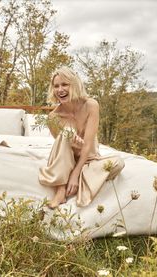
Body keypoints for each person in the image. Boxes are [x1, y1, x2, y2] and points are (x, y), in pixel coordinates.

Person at [39, 67, 124, 209]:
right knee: (65, 134)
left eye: (64, 84)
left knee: (118, 162)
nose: (60, 90)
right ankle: (61, 189)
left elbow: (88, 145)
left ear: (74, 84)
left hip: (89, 158)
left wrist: (75, 174)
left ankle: (77, 179)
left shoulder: (91, 105)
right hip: (68, 161)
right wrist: (70, 139)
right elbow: (60, 149)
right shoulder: (53, 117)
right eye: (56, 86)